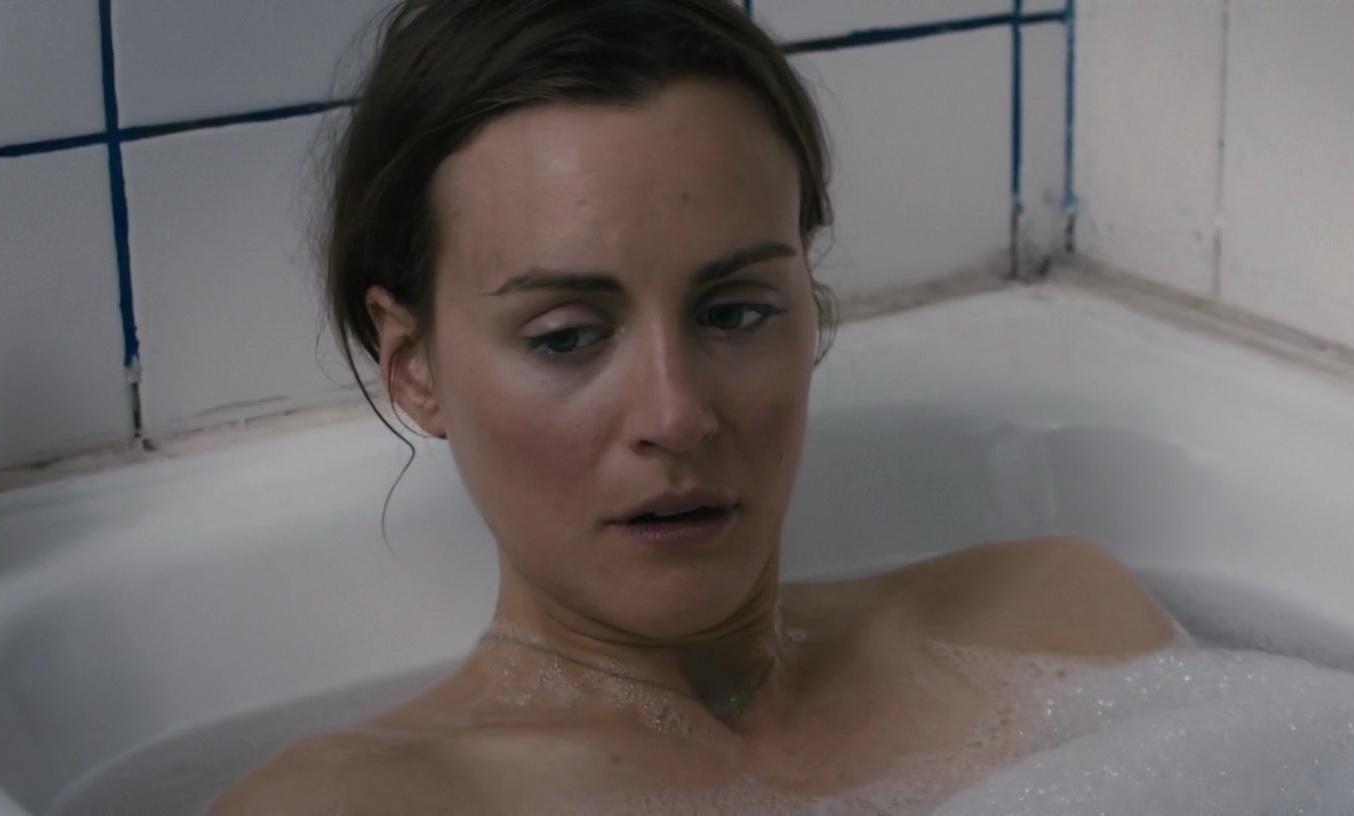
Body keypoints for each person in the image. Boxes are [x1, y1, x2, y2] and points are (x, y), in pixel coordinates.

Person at [211, 0, 1180, 811]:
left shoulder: (1063, 628)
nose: (675, 416)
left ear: (810, 305)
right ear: (413, 368)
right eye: (566, 337)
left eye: (735, 312)